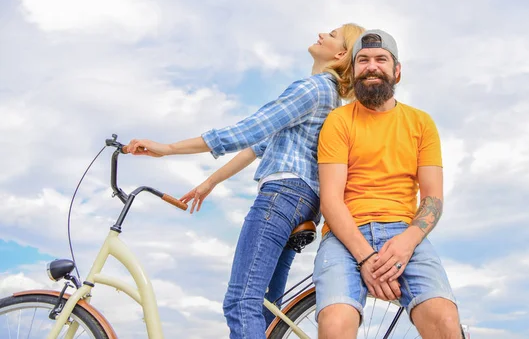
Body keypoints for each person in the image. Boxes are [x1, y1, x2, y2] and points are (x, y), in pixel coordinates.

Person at [123, 23, 365, 339]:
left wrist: (168, 148)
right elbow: (259, 145)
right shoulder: (330, 99)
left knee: (241, 302)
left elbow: (249, 130)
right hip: (304, 203)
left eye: (332, 35)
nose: (322, 33)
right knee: (265, 307)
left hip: (283, 195)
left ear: (341, 54)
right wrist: (211, 182)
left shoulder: (312, 89)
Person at [314, 29, 462, 338]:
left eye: (381, 59)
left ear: (396, 70)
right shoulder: (339, 121)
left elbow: (433, 198)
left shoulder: (421, 123)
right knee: (335, 324)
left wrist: (407, 243)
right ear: (353, 70)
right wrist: (366, 257)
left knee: (445, 322)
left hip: (405, 233)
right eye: (363, 60)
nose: (371, 66)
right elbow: (330, 200)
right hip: (345, 235)